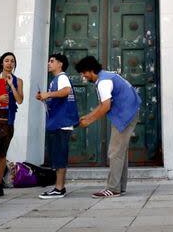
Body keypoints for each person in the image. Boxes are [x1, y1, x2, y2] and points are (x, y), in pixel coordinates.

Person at [76, 55, 141, 198]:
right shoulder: (106, 76)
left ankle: (113, 188)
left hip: (125, 114)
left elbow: (105, 106)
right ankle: (119, 187)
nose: (83, 76)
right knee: (120, 152)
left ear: (90, 70)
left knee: (114, 152)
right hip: (129, 112)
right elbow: (103, 104)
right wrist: (87, 116)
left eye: (83, 73)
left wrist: (89, 121)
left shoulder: (103, 82)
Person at [36, 53, 78, 199]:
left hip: (61, 123)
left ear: (60, 64)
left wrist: (49, 94)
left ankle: (59, 188)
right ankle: (59, 187)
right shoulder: (56, 80)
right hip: (57, 122)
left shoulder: (62, 78)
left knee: (59, 157)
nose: (49, 63)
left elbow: (66, 91)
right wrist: (44, 98)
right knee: (57, 156)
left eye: (52, 61)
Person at [0, 52, 24, 198]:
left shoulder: (18, 81)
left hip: (7, 122)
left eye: (12, 61)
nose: (9, 63)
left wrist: (11, 85)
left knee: (2, 155)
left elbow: (20, 100)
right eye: (7, 60)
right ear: (1, 62)